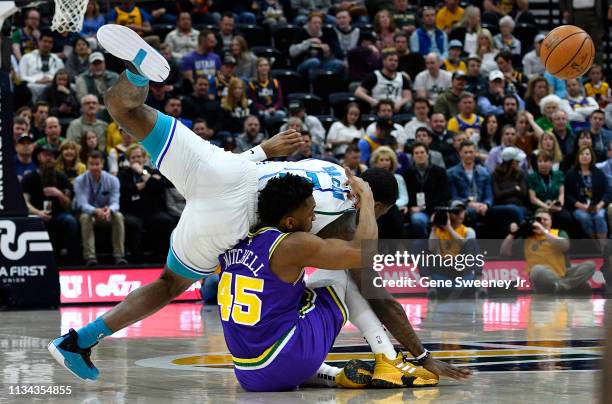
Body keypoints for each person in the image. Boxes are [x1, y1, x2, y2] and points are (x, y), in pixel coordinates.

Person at [50, 27, 471, 384]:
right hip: (227, 216)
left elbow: (272, 179)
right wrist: (420, 354)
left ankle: (137, 72)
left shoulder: (326, 166)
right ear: (375, 204)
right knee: (173, 286)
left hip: (225, 167)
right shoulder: (346, 219)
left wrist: (260, 151)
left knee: (124, 109)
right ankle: (387, 360)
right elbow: (379, 294)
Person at [219, 172, 428, 392]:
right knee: (340, 271)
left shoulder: (234, 241)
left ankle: (330, 375)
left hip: (248, 376)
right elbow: (364, 253)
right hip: (287, 359)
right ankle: (388, 359)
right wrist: (366, 197)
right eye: (310, 213)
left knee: (288, 302)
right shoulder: (292, 244)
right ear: (290, 222)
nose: (314, 218)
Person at [501, 209, 596, 293]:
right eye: (538, 219)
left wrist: (543, 231)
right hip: (542, 278)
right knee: (536, 270)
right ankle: (571, 286)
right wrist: (512, 234)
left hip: (563, 274)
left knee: (590, 265)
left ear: (551, 222)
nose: (541, 221)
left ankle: (561, 286)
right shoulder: (527, 237)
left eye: (545, 219)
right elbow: (504, 253)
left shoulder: (559, 233)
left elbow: (565, 246)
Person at [447, 140, 524, 237]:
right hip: (464, 207)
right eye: (466, 152)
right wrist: (470, 204)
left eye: (471, 152)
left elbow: (489, 196)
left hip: (483, 208)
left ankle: (516, 245)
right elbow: (453, 197)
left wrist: (486, 205)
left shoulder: (484, 172)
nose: (469, 155)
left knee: (513, 210)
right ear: (460, 153)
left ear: (475, 153)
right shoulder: (451, 173)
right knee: (471, 213)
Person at [21, 144, 80, 264]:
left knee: (71, 221)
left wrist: (59, 194)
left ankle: (74, 263)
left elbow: (68, 205)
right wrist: (38, 213)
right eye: (46, 155)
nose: (49, 158)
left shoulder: (62, 177)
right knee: (31, 221)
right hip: (37, 215)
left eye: (52, 155)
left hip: (58, 214)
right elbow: (24, 202)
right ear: (38, 157)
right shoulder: (29, 178)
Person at [119, 144, 174, 263]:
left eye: (139, 156)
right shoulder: (124, 174)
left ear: (144, 158)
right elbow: (125, 191)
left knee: (165, 220)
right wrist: (147, 181)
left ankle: (162, 258)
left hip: (152, 211)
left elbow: (158, 187)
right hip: (133, 211)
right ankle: (137, 260)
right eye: (133, 158)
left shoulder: (153, 171)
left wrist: (141, 173)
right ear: (129, 160)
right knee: (133, 224)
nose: (136, 160)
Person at [74, 150, 126, 266]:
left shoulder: (113, 180)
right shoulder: (79, 181)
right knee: (85, 217)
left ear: (102, 164)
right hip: (90, 214)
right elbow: (82, 204)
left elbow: (115, 203)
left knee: (118, 216)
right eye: (91, 164)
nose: (94, 167)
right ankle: (90, 257)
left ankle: (119, 256)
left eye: (97, 164)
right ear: (87, 164)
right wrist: (95, 210)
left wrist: (109, 210)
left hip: (106, 215)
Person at [426, 200, 482, 298]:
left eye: (462, 211)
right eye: (456, 212)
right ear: (449, 215)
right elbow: (431, 249)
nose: (460, 215)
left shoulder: (468, 231)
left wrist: (449, 229)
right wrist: (434, 227)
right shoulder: (438, 231)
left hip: (461, 267)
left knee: (472, 242)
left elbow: (466, 244)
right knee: (419, 244)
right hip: (444, 267)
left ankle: (479, 282)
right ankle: (431, 286)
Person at [404, 141, 451, 237]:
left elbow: (444, 195)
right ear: (412, 156)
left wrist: (425, 207)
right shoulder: (407, 174)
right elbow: (406, 195)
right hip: (416, 211)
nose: (420, 155)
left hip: (436, 209)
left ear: (427, 155)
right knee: (417, 220)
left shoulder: (440, 172)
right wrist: (410, 208)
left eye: (422, 152)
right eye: (416, 153)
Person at [564, 146, 609, 243]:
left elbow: (607, 192)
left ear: (591, 157)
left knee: (599, 217)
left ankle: (604, 245)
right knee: (584, 217)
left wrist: (600, 205)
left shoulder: (599, 173)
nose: (584, 156)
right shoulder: (571, 174)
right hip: (579, 207)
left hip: (597, 206)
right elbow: (567, 195)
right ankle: (595, 243)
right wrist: (581, 206)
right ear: (578, 157)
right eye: (581, 154)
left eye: (587, 154)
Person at [289, 12, 344, 82]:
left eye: (319, 23)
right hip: (302, 64)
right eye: (314, 23)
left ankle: (328, 84)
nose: (317, 25)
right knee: (314, 61)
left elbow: (333, 54)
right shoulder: (301, 32)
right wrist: (308, 42)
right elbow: (292, 52)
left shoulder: (326, 33)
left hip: (322, 64)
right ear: (308, 23)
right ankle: (313, 85)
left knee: (338, 63)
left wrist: (327, 53)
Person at [355, 49, 412, 113]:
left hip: (396, 109)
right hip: (379, 110)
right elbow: (358, 92)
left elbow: (408, 97)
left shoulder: (402, 77)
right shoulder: (374, 76)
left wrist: (400, 103)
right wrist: (372, 101)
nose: (393, 63)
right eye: (390, 60)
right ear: (384, 61)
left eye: (396, 61)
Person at [527, 151, 573, 231]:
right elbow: (533, 199)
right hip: (539, 207)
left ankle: (563, 239)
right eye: (540, 161)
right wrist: (547, 207)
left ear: (551, 163)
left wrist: (559, 205)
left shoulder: (559, 174)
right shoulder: (532, 177)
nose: (542, 164)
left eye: (545, 161)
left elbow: (561, 194)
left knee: (566, 217)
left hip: (555, 205)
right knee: (541, 218)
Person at [18, 29, 64, 101]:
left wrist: (53, 81)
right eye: (45, 41)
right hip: (33, 86)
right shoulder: (26, 57)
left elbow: (62, 76)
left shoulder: (58, 60)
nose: (47, 44)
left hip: (52, 86)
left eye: (50, 42)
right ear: (39, 42)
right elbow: (21, 77)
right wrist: (36, 80)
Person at [370, 146, 409, 214]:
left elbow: (404, 198)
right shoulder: (370, 178)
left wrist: (388, 206)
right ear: (375, 163)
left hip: (393, 209)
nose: (385, 163)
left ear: (392, 163)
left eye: (387, 160)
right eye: (381, 160)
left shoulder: (398, 178)